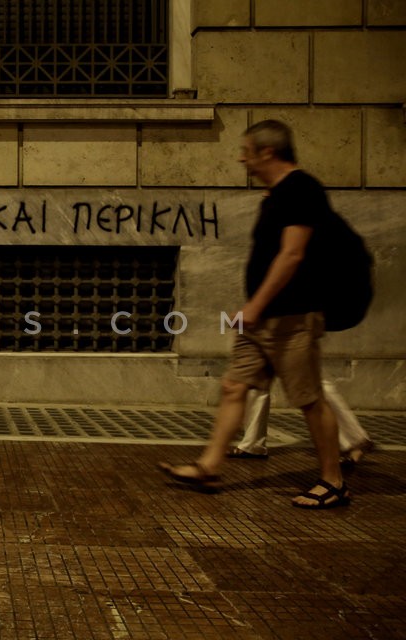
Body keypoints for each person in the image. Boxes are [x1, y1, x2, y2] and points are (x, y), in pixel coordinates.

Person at [159, 119, 349, 509]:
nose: (241, 158)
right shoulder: (275, 195)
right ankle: (209, 466)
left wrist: (257, 304)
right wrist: (252, 310)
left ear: (267, 152)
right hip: (260, 319)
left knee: (309, 399)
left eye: (246, 151)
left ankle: (333, 481)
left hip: (291, 317)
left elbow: (292, 253)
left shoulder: (301, 189)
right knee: (234, 387)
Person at [228, 381, 374, 464]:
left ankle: (354, 440)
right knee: (255, 381)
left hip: (282, 330)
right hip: (264, 331)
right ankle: (252, 444)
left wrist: (235, 325)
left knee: (308, 378)